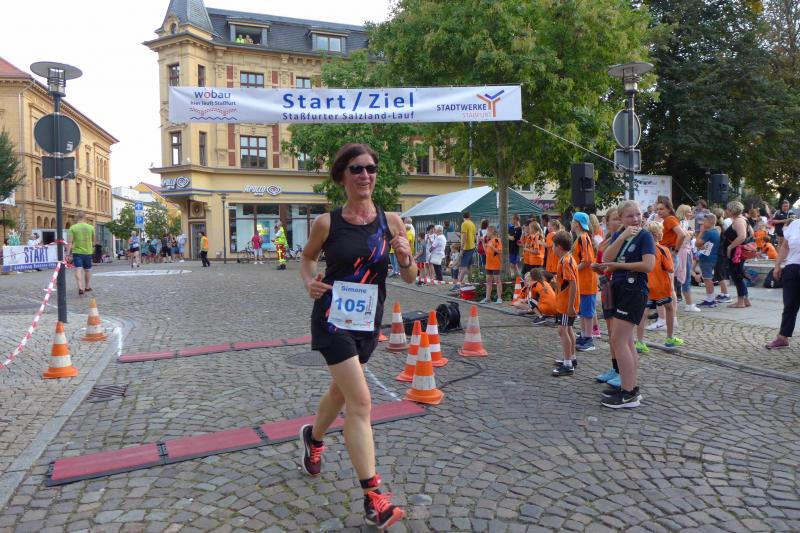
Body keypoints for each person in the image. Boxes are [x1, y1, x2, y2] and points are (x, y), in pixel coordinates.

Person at [299, 143, 414, 530]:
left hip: (367, 322)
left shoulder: (391, 221)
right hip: (331, 319)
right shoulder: (327, 223)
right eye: (357, 169)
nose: (366, 175)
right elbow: (307, 257)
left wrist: (405, 257)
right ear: (342, 177)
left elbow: (411, 275)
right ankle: (373, 497)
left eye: (371, 168)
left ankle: (313, 439)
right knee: (360, 401)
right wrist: (309, 282)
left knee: (340, 392)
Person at [598, 201, 655, 409]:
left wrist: (618, 266)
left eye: (638, 214)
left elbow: (648, 265)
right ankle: (629, 386)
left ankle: (628, 393)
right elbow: (606, 257)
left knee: (618, 340)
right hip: (620, 289)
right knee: (626, 341)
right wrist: (622, 236)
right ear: (621, 218)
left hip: (634, 290)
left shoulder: (645, 236)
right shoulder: (619, 235)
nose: (636, 219)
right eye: (630, 216)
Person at [592, 206, 623, 384]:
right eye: (615, 219)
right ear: (607, 222)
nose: (619, 222)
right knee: (611, 332)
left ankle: (622, 371)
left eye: (620, 218)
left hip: (620, 288)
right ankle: (615, 368)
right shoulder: (605, 242)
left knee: (619, 334)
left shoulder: (623, 240)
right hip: (607, 288)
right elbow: (601, 268)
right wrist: (596, 268)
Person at [638, 221, 681, 349]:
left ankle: (639, 341)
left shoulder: (641, 249)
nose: (662, 233)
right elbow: (670, 268)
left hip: (646, 285)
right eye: (661, 231)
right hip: (661, 286)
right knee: (669, 308)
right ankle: (669, 338)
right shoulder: (663, 249)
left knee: (643, 313)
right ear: (656, 234)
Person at [767, 217, 800, 349]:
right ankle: (783, 337)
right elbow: (785, 246)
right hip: (792, 268)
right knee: (789, 305)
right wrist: (777, 265)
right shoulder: (795, 224)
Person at [551, 230, 580, 376]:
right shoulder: (568, 259)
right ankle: (571, 358)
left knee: (562, 331)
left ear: (559, 247)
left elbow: (573, 284)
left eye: (553, 245)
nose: (552, 248)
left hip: (566, 304)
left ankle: (568, 364)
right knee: (568, 329)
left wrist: (570, 306)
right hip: (566, 302)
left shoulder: (566, 261)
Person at [571, 212, 599, 352]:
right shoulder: (581, 238)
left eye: (572, 221)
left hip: (587, 281)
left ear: (577, 223)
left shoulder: (583, 238)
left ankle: (589, 339)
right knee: (582, 311)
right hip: (582, 281)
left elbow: (587, 260)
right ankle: (583, 335)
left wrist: (573, 270)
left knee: (587, 312)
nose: (571, 223)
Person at [723, 201, 752, 308]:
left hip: (736, 253)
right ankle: (745, 299)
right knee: (738, 274)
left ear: (732, 210)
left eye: (727, 209)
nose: (726, 211)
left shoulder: (738, 221)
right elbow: (751, 233)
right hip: (739, 252)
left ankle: (741, 302)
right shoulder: (743, 219)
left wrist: (731, 247)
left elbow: (742, 236)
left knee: (737, 276)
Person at [676, 204, 700, 312]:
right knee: (685, 279)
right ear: (684, 212)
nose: (691, 213)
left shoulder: (682, 222)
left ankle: (687, 303)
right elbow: (682, 238)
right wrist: (690, 233)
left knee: (682, 278)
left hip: (684, 251)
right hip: (683, 252)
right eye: (689, 211)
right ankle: (689, 304)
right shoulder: (682, 223)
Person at [66, 212, 95, 296]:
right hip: (88, 252)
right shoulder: (91, 227)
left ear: (76, 218)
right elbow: (93, 241)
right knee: (87, 270)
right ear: (85, 218)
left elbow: (69, 242)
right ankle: (87, 287)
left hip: (77, 252)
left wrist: (67, 254)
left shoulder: (73, 228)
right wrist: (92, 249)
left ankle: (80, 287)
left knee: (78, 269)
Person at [695, 213, 720, 307]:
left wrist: (701, 232)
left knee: (707, 279)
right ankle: (710, 298)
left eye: (704, 221)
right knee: (707, 278)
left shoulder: (709, 233)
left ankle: (710, 300)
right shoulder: (715, 231)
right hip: (711, 257)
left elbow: (697, 243)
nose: (702, 223)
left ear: (710, 222)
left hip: (707, 258)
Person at [711, 207, 732, 303]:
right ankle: (723, 293)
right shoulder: (722, 226)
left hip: (720, 253)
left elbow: (715, 239)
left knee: (719, 274)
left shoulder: (718, 227)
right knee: (719, 273)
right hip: (721, 253)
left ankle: (726, 294)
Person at [452, 212, 476, 290]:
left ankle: (458, 284)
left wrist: (461, 249)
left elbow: (464, 237)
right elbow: (473, 236)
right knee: (469, 266)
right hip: (472, 247)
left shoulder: (464, 224)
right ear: (469, 217)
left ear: (463, 217)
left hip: (467, 248)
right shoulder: (472, 224)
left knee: (463, 267)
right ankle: (471, 282)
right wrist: (460, 235)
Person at [480, 225, 503, 303]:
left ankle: (499, 298)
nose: (486, 234)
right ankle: (487, 298)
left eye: (487, 232)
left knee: (497, 281)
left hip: (495, 264)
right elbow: (486, 252)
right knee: (488, 281)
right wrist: (483, 242)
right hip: (489, 264)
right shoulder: (489, 241)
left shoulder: (497, 240)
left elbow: (499, 251)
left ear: (491, 231)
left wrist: (492, 247)